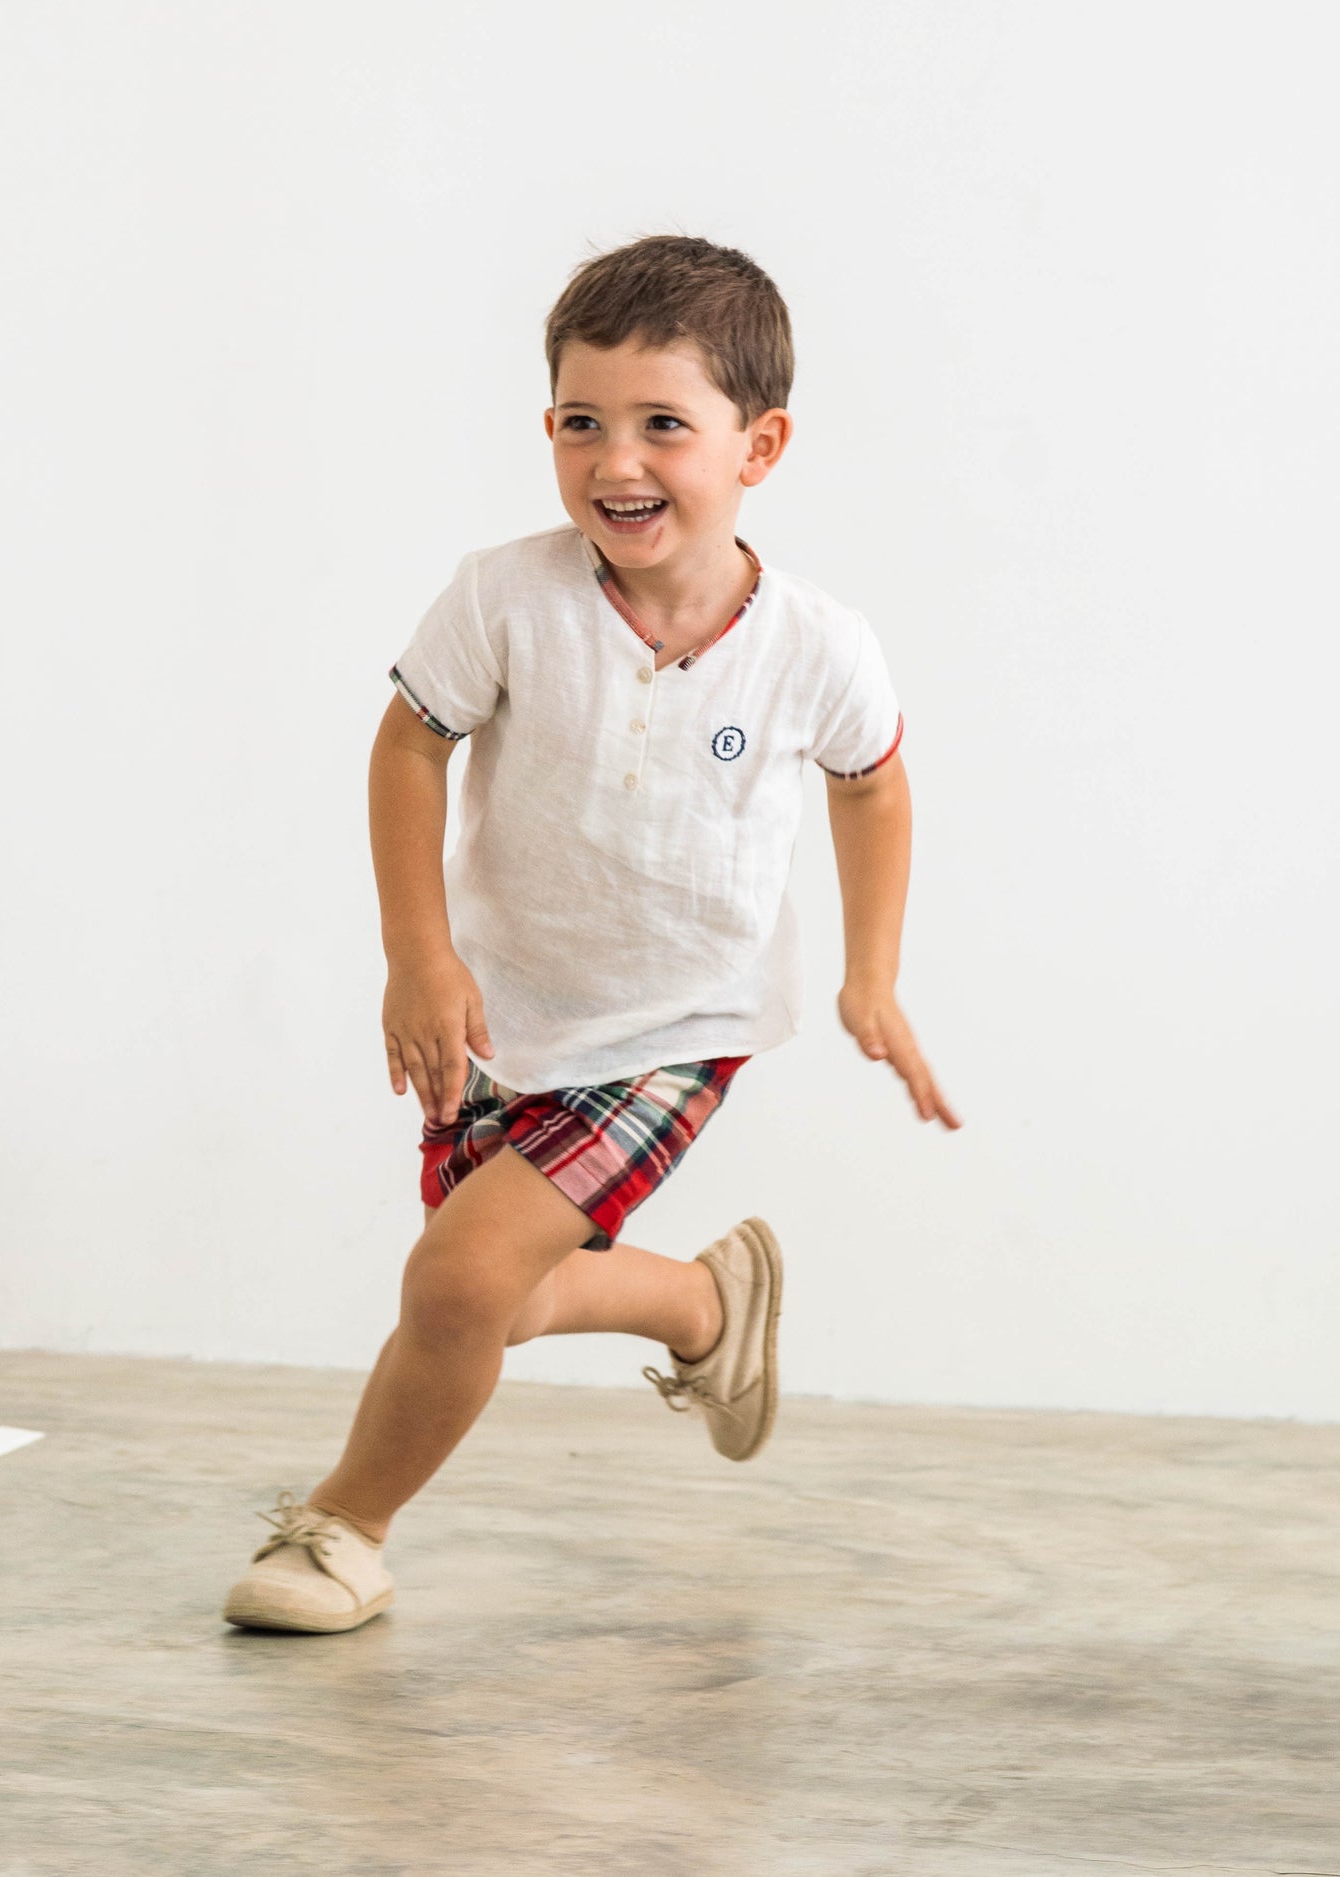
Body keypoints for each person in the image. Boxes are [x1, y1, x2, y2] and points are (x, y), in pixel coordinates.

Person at [222, 234, 961, 1635]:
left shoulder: (815, 644)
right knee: (475, 1303)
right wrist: (418, 954)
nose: (615, 462)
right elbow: (407, 744)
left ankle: (340, 1533)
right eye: (580, 422)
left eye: (662, 425)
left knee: (453, 1280)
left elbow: (869, 783)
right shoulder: (506, 596)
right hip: (503, 1011)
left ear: (762, 444)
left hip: (680, 1026)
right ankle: (699, 1305)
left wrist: (873, 972)